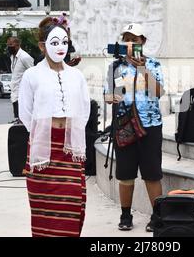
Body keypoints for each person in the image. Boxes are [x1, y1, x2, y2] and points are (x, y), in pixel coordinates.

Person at [19, 17, 91, 237]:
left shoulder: (76, 76)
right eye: (54, 42)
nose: (61, 47)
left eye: (64, 42)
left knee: (73, 203)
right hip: (43, 149)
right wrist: (43, 134)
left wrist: (71, 134)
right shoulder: (32, 75)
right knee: (44, 208)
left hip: (70, 147)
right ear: (42, 46)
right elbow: (25, 113)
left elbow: (84, 109)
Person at [105, 23, 165, 232]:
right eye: (127, 39)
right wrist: (115, 95)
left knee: (152, 173)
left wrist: (141, 68)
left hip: (150, 125)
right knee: (126, 173)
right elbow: (108, 96)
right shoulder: (115, 67)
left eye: (135, 39)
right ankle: (125, 214)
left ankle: (157, 216)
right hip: (125, 125)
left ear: (143, 42)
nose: (131, 43)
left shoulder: (154, 65)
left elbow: (159, 92)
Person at [7, 36, 34, 122]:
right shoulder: (12, 57)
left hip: (23, 91)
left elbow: (33, 73)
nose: (9, 47)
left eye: (11, 45)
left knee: (23, 117)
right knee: (17, 115)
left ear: (17, 45)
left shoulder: (25, 57)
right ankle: (18, 120)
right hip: (15, 90)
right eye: (8, 45)